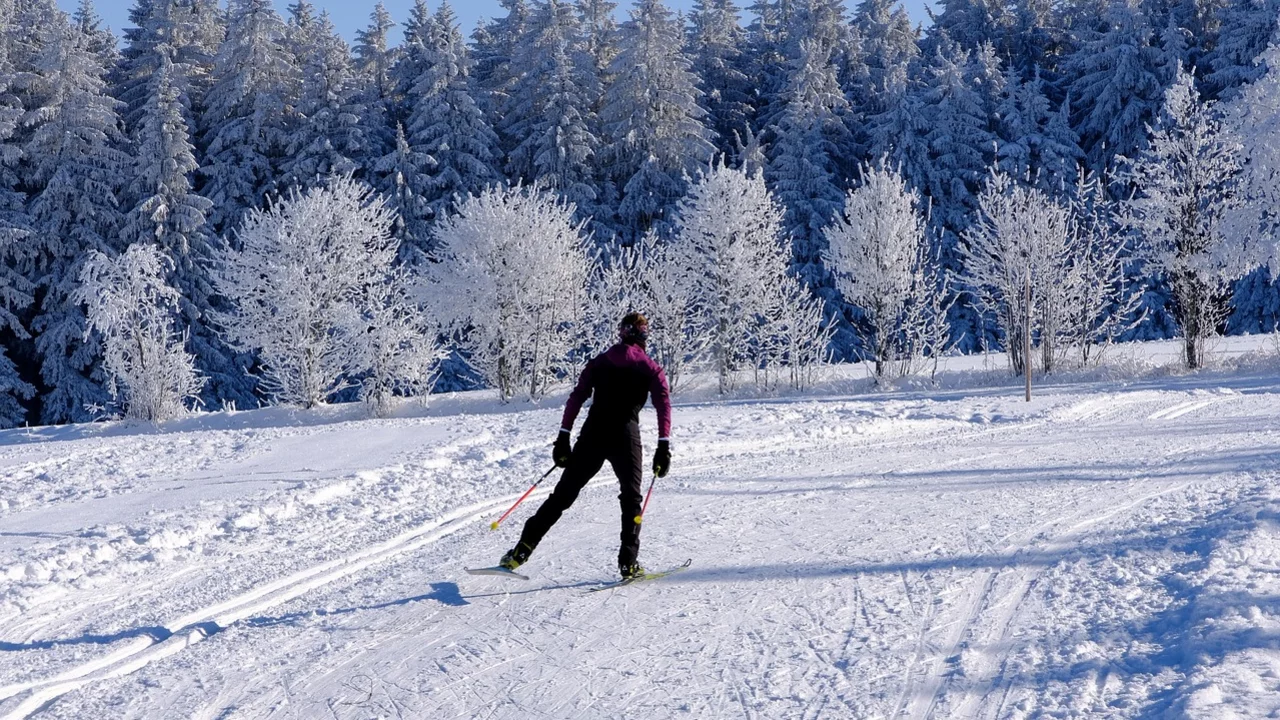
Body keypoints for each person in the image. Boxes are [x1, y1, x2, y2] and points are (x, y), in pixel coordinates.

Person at [499, 312, 672, 580]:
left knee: (562, 496)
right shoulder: (651, 368)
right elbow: (664, 406)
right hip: (626, 437)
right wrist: (663, 446)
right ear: (643, 336)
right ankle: (628, 563)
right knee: (631, 499)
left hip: (593, 434)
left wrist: (563, 437)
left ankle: (521, 550)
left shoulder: (599, 363)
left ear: (621, 334)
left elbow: (576, 398)